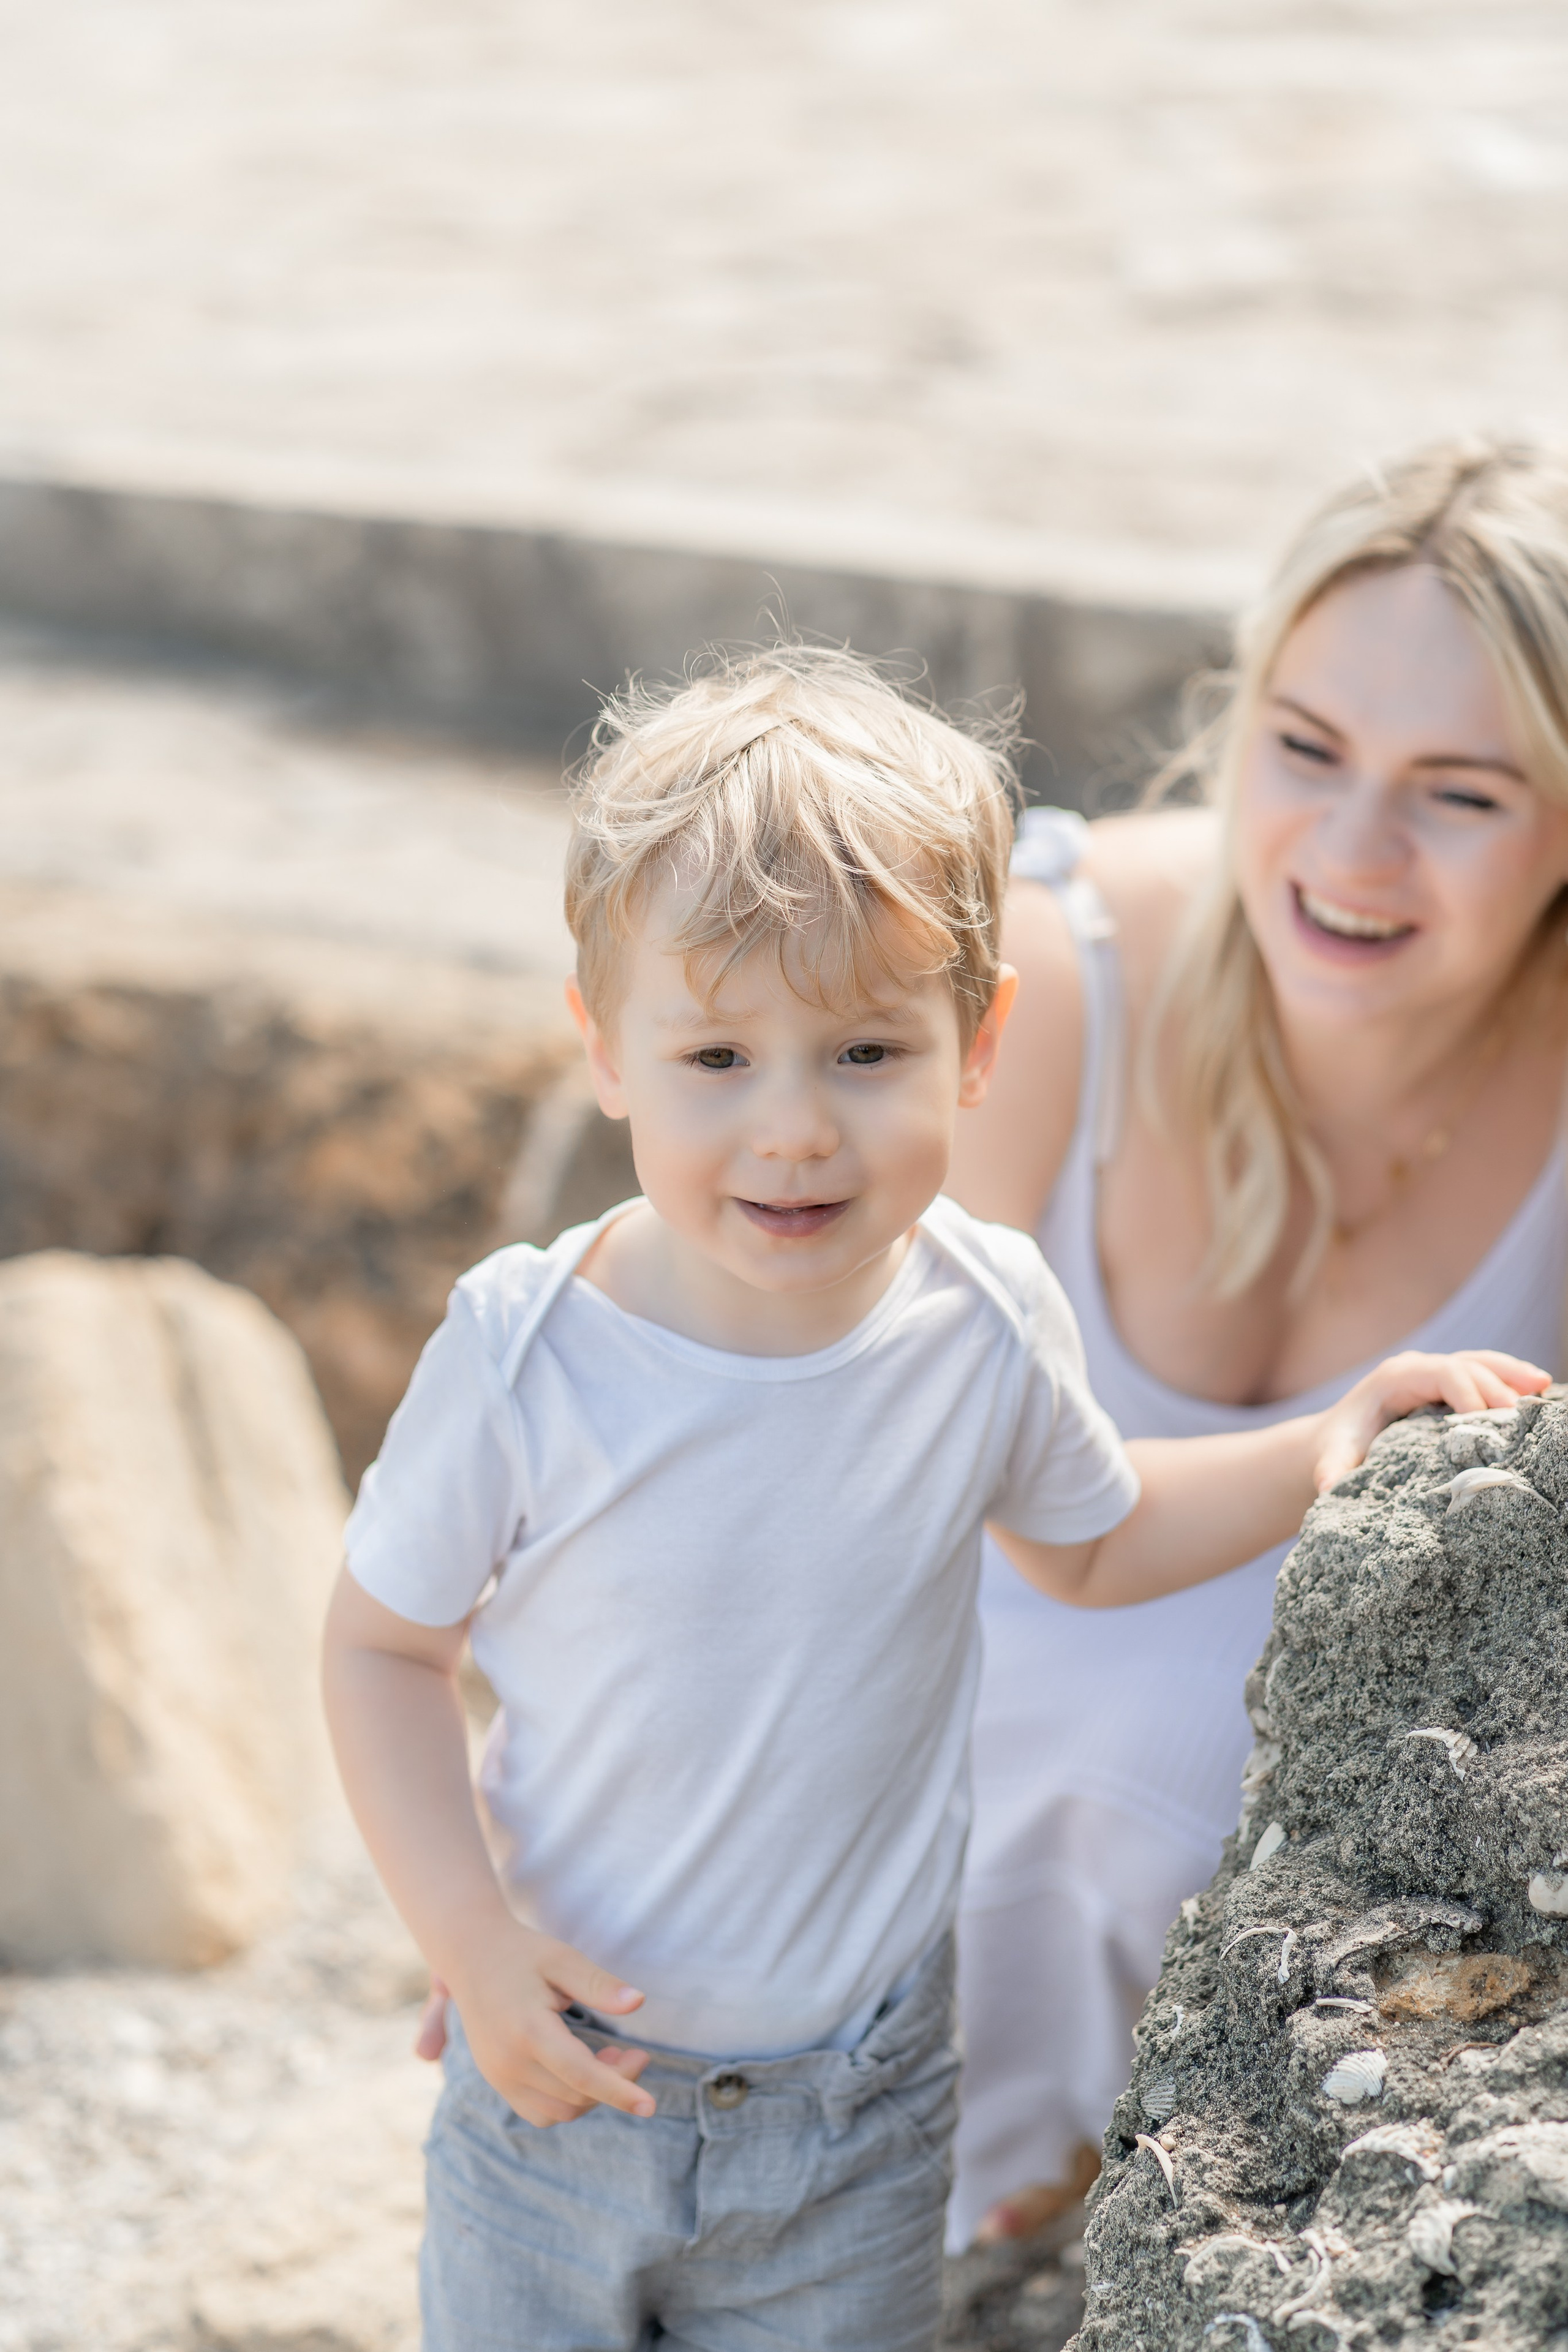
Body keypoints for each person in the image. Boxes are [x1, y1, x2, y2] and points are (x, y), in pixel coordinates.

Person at [320, 643, 1538, 2352]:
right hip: (564, 2089)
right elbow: (382, 1649)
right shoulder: (527, 1357)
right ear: (604, 1049)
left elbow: (1097, 1539)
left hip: (864, 2112)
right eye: (718, 1057)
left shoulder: (980, 1313)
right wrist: (469, 1937)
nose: (796, 1130)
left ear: (979, 1041)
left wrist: (1323, 1441)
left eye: (866, 1052)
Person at [944, 437, 1568, 2249]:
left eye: (1462, 793)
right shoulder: (1048, 980)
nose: (1352, 852)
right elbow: (769, 1463)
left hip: (1248, 2093)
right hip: (846, 1957)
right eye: (1305, 748)